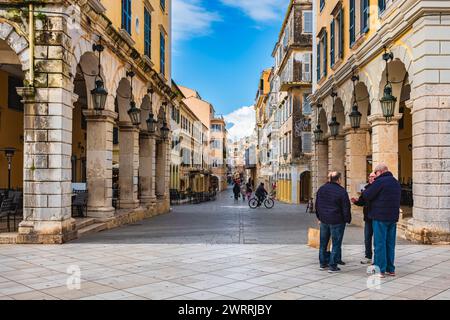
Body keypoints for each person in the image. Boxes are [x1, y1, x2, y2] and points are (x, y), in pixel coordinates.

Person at [362, 163, 401, 278]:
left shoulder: (379, 181)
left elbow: (367, 195)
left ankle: (380, 270)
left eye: (375, 173)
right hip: (392, 217)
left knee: (379, 244)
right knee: (390, 244)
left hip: (380, 217)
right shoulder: (395, 182)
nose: (375, 175)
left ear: (380, 172)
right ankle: (391, 269)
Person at [315, 172, 351, 273]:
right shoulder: (341, 191)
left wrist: (319, 216)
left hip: (324, 220)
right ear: (339, 179)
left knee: (323, 243)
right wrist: (347, 219)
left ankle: (323, 263)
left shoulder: (322, 189)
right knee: (336, 243)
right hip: (337, 220)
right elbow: (346, 207)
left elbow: (317, 204)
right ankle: (333, 266)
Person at [352, 172, 376, 264]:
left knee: (377, 239)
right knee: (367, 238)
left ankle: (377, 257)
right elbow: (362, 201)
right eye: (369, 177)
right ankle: (368, 256)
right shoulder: (366, 188)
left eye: (373, 177)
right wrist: (356, 202)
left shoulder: (378, 188)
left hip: (376, 217)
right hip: (368, 217)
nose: (370, 178)